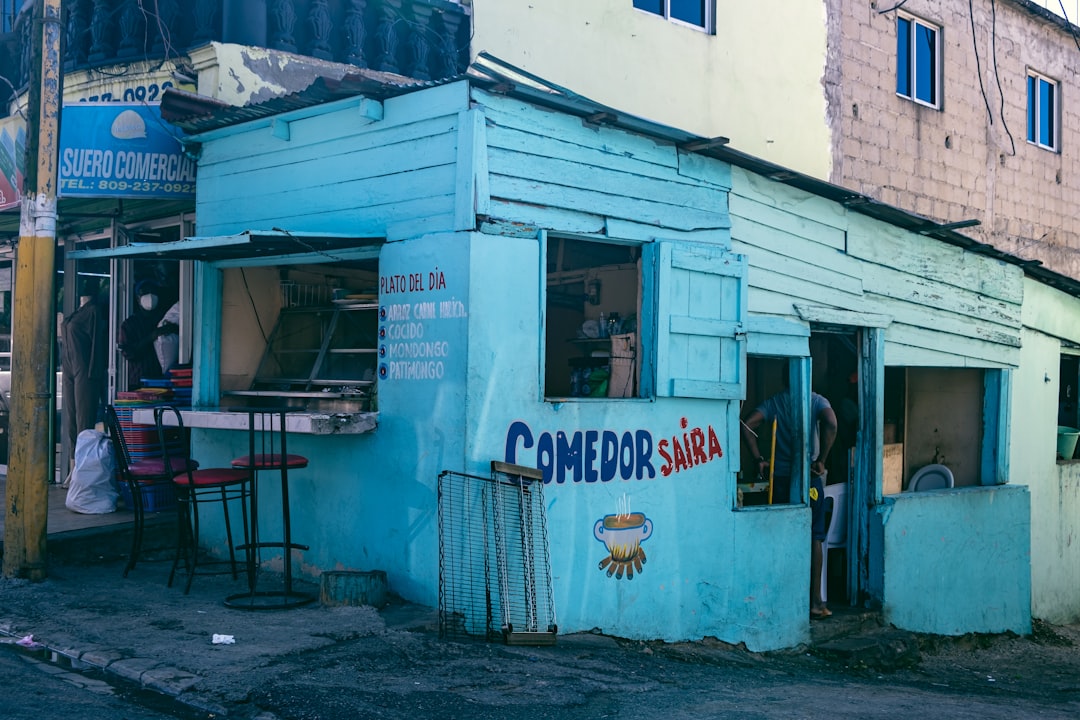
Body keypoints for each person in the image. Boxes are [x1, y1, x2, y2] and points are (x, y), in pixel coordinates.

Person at [741, 378, 838, 619]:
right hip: (809, 479)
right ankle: (815, 602)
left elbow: (747, 424)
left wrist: (758, 459)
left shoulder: (776, 402)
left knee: (780, 536)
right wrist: (822, 459)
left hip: (780, 480)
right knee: (814, 538)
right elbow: (831, 422)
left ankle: (780, 600)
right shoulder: (816, 401)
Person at [61, 279, 109, 453]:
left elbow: (97, 342)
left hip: (85, 368)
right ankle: (73, 465)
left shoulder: (93, 311)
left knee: (84, 417)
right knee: (71, 416)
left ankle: (82, 464)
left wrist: (95, 372)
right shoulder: (76, 312)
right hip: (68, 367)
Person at [118, 280, 175, 389]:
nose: (150, 296)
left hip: (163, 381)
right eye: (144, 292)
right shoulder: (129, 324)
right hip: (139, 382)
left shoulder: (164, 319)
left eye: (153, 292)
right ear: (138, 299)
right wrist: (152, 337)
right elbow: (128, 353)